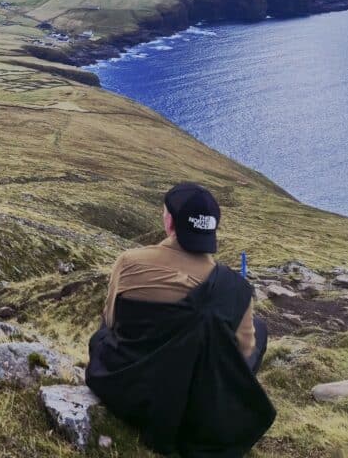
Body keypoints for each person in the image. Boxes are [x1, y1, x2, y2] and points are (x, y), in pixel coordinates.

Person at [86, 182, 275, 458]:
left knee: (103, 331)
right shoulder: (235, 289)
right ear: (211, 229)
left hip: (127, 392)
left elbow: (112, 322)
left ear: (170, 222)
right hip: (193, 415)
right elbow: (244, 353)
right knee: (258, 330)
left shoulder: (128, 262)